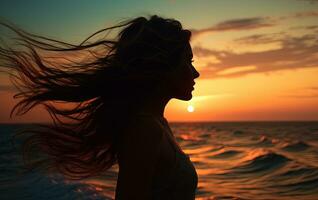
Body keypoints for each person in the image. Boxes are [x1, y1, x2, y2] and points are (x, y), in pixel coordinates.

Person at [0, 15, 200, 199]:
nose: (195, 73)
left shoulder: (157, 123)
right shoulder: (145, 130)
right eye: (188, 61)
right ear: (162, 66)